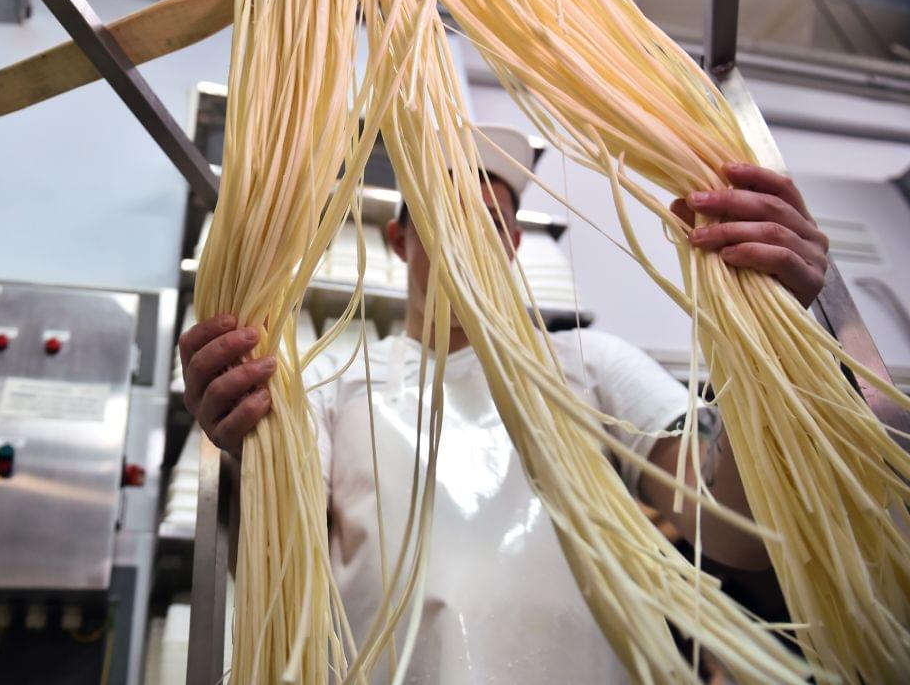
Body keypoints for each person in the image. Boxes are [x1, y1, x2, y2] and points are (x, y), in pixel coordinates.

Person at [178, 125, 829, 682]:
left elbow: (734, 533)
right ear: (400, 240)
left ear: (514, 243)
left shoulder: (590, 363)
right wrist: (245, 447)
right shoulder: (331, 384)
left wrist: (767, 343)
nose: (468, 244)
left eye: (490, 224)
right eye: (442, 221)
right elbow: (280, 560)